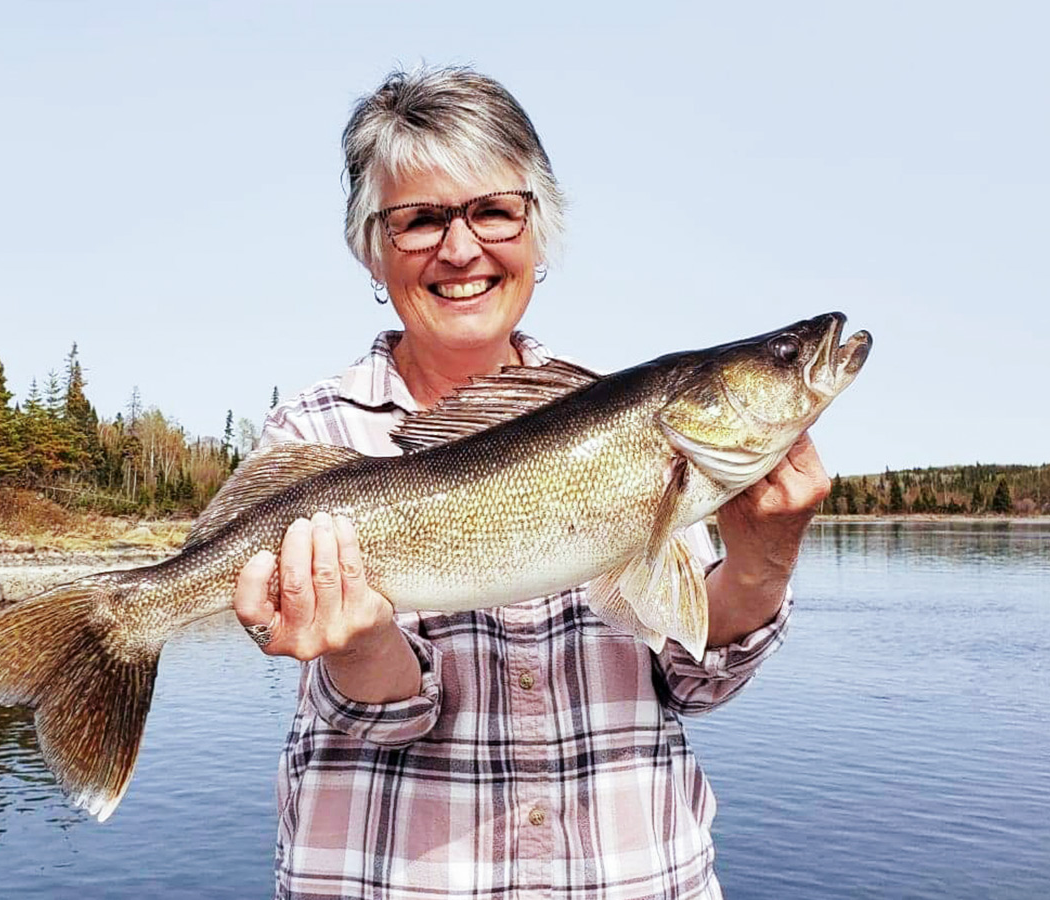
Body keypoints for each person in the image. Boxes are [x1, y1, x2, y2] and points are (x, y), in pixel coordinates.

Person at [233, 67, 830, 900]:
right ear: (372, 247)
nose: (462, 247)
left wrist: (763, 560)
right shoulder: (315, 435)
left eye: (493, 210)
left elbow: (696, 678)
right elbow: (382, 716)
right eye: (420, 221)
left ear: (538, 229)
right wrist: (362, 644)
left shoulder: (620, 417)